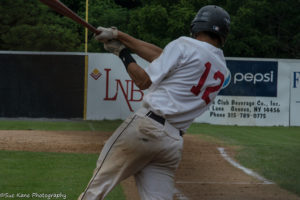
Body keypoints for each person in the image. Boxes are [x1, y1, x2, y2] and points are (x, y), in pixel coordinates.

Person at [78, 5, 230, 200]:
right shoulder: (222, 68)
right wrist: (119, 34)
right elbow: (162, 56)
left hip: (145, 129)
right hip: (172, 144)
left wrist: (122, 53)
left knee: (95, 191)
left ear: (197, 26)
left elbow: (143, 81)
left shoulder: (184, 44)